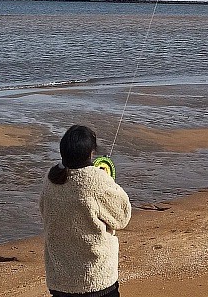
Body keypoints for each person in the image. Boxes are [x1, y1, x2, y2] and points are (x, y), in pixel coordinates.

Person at [40, 125, 131, 297]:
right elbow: (122, 216)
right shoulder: (97, 180)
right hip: (96, 279)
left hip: (60, 279)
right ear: (90, 153)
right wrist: (110, 182)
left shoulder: (51, 178)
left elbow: (43, 210)